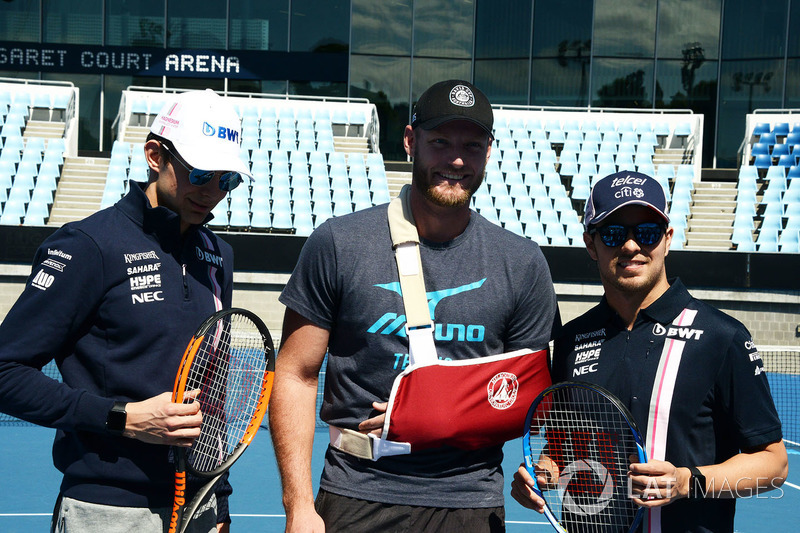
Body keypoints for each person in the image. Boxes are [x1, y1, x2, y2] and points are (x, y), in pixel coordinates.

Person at [270, 79, 559, 532]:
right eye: (440, 141)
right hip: (356, 494)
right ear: (410, 142)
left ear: (489, 151)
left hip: (468, 502)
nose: (456, 159)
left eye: (472, 145)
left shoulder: (521, 262)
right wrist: (298, 506)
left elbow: (524, 396)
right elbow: (296, 374)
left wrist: (430, 414)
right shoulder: (339, 243)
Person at [0, 88, 252, 532]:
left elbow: (209, 398)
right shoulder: (88, 246)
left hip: (199, 509)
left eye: (227, 180)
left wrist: (220, 504)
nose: (212, 192)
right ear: (155, 155)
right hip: (107, 513)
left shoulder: (219, 255)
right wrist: (124, 418)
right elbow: (4, 371)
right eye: (201, 173)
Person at [511, 170, 788, 532]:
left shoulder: (722, 338)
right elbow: (564, 445)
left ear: (667, 239)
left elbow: (774, 465)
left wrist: (687, 481)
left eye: (647, 232)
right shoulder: (571, 340)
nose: (630, 245)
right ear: (591, 244)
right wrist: (543, 471)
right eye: (612, 233)